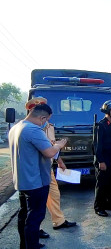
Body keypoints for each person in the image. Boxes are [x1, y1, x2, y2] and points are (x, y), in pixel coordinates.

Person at [9, 103, 67, 249]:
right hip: (36, 181)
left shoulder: (16, 127)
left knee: (24, 216)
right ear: (42, 117)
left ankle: (26, 246)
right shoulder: (33, 130)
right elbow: (49, 152)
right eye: (47, 120)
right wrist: (59, 145)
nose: (47, 123)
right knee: (34, 218)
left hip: (22, 180)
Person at [23, 98, 77, 237]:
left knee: (54, 195)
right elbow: (50, 148)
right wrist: (58, 146)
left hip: (47, 167)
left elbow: (51, 146)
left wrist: (60, 161)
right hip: (34, 172)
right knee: (35, 207)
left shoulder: (49, 126)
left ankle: (58, 221)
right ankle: (36, 229)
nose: (46, 120)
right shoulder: (30, 129)